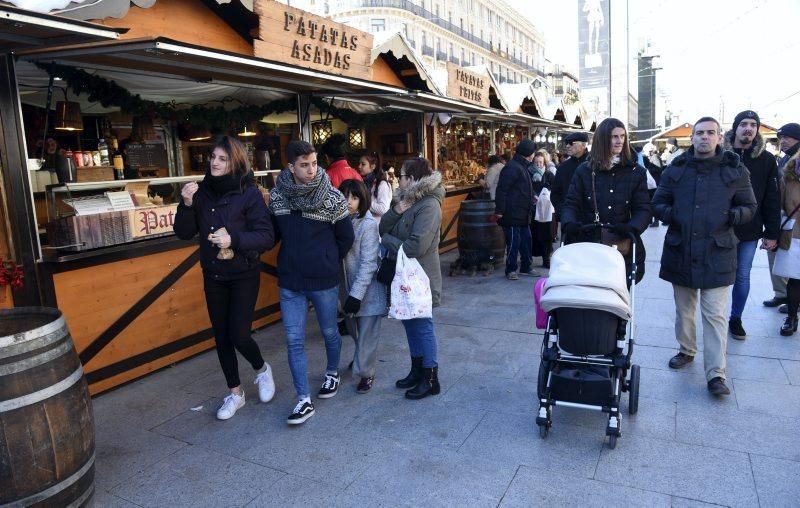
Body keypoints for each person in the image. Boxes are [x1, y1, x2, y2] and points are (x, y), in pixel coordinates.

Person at [173, 136, 276, 421]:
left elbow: (266, 236)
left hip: (244, 272)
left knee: (239, 334)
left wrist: (235, 239)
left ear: (235, 162)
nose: (215, 163)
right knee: (221, 337)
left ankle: (262, 370)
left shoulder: (249, 192)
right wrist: (186, 204)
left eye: (222, 158)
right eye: (213, 157)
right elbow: (183, 232)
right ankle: (235, 393)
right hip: (214, 274)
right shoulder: (201, 192)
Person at [652, 117, 757, 396]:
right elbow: (658, 202)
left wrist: (732, 216)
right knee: (684, 310)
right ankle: (686, 350)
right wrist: (675, 216)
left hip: (718, 251)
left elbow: (749, 206)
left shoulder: (735, 170)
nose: (705, 138)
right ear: (692, 137)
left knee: (715, 315)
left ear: (720, 138)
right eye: (700, 133)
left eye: (711, 133)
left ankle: (716, 374)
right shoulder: (676, 169)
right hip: (681, 248)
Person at [268, 140, 354, 425]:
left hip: (323, 279)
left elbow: (346, 238)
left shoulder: (332, 197)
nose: (311, 169)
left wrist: (327, 260)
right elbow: (272, 236)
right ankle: (303, 399)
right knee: (293, 339)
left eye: (314, 163)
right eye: (304, 165)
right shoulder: (278, 197)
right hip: (291, 280)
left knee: (330, 330)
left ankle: (332, 372)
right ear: (291, 166)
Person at [379, 157, 444, 399]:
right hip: (403, 275)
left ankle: (430, 378)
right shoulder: (405, 200)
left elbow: (416, 246)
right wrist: (396, 209)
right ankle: (417, 370)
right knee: (409, 322)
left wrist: (387, 240)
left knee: (423, 326)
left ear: (414, 179)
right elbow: (382, 225)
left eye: (402, 176)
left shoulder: (429, 205)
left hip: (421, 277)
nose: (399, 180)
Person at [560, 118, 651, 285]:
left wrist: (632, 227)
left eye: (622, 136)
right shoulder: (584, 170)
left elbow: (643, 208)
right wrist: (568, 222)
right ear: (602, 139)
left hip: (620, 245)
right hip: (587, 244)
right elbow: (571, 203)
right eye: (614, 136)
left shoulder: (635, 172)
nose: (619, 141)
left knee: (618, 298)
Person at [723, 111, 780, 340]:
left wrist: (772, 232)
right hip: (720, 226)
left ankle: (736, 318)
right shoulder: (720, 155)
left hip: (750, 228)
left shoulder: (766, 160)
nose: (749, 128)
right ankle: (713, 315)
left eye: (753, 125)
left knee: (743, 275)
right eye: (744, 124)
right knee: (715, 275)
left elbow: (772, 198)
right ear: (735, 128)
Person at [338, 179, 387, 393]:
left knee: (367, 333)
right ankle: (361, 358)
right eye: (345, 196)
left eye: (354, 197)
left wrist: (356, 295)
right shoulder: (340, 222)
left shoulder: (368, 225)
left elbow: (369, 263)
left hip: (367, 291)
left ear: (363, 199)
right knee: (354, 331)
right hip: (346, 288)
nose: (349, 201)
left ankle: (366, 373)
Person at [764, 122, 800, 310]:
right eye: (781, 138)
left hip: (795, 220)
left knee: (793, 260)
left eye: (787, 137)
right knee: (776, 254)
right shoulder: (784, 159)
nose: (783, 141)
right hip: (781, 216)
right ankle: (782, 294)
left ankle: (794, 299)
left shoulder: (797, 160)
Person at [494, 139, 538, 280]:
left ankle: (526, 266)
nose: (534, 155)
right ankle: (511, 269)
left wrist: (532, 197)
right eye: (533, 152)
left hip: (522, 213)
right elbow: (502, 190)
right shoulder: (513, 167)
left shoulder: (521, 166)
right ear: (529, 153)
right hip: (512, 213)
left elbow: (521, 189)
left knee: (526, 241)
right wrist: (500, 211)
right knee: (514, 243)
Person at [773, 150, 800, 335]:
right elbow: (779, 206)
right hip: (795, 234)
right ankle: (791, 317)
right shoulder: (788, 177)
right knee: (795, 278)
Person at [551, 132, 590, 218]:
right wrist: (563, 212)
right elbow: (555, 193)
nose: (568, 146)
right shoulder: (563, 167)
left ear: (584, 145)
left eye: (572, 143)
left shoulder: (595, 165)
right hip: (569, 219)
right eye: (567, 143)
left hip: (591, 220)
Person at [529, 152, 555, 268]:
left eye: (540, 162)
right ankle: (529, 258)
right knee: (533, 233)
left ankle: (546, 259)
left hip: (546, 209)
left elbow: (555, 188)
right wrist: (533, 196)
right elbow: (527, 188)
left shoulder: (549, 174)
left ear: (544, 162)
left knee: (547, 234)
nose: (539, 164)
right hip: (533, 208)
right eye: (536, 162)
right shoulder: (529, 173)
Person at [356, 152, 392, 221]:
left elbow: (383, 209)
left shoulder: (382, 184)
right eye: (359, 163)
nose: (359, 166)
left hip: (377, 225)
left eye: (363, 164)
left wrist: (365, 202)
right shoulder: (363, 182)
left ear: (373, 166)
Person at [642, 142, 663, 227]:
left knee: (653, 203)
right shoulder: (651, 157)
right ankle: (651, 220)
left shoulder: (655, 157)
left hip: (655, 184)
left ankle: (656, 220)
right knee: (650, 202)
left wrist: (649, 169)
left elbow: (658, 169)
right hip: (652, 184)